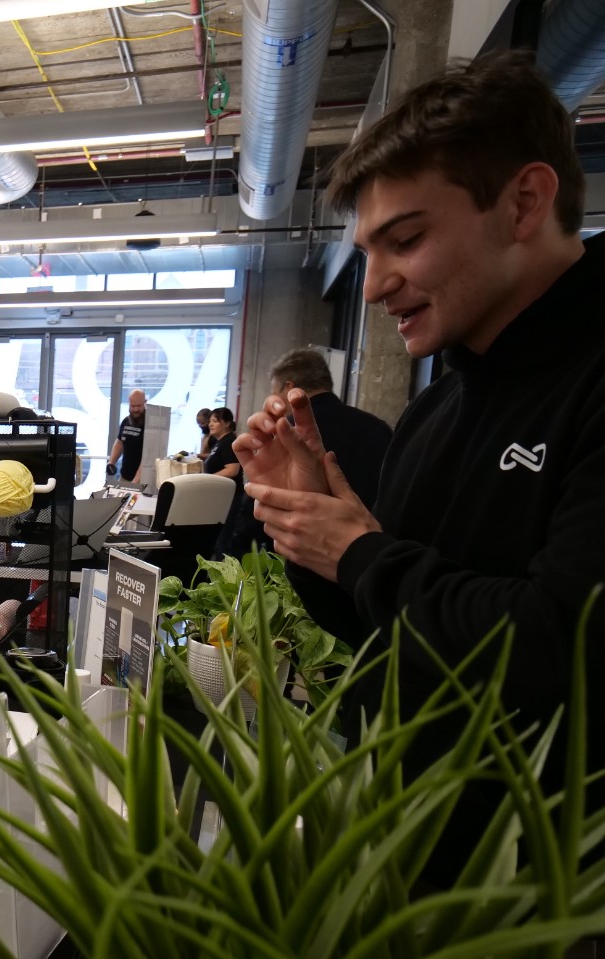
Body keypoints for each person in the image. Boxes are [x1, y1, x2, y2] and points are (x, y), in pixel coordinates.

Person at [232, 51, 605, 885]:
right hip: (402, 848)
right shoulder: (438, 407)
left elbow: (560, 649)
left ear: (525, 202)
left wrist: (361, 551)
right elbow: (386, 632)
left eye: (406, 239)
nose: (373, 287)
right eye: (368, 250)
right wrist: (313, 535)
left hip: (541, 887)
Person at [224, 349, 394, 557]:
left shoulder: (284, 433)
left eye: (274, 391)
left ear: (289, 386)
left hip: (294, 563)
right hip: (372, 561)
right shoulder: (379, 428)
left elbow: (254, 518)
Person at [202, 407, 242, 557]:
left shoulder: (230, 441)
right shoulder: (219, 442)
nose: (210, 424)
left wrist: (208, 479)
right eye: (210, 421)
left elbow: (233, 469)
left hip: (231, 499)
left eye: (215, 421)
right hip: (220, 499)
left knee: (223, 542)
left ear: (226, 423)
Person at [106, 388, 147, 483]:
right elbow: (120, 442)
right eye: (133, 406)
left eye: (139, 406)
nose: (136, 409)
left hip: (142, 481)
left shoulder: (150, 425)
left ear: (145, 402)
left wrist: (135, 482)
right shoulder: (126, 421)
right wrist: (111, 462)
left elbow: (148, 456)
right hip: (124, 477)